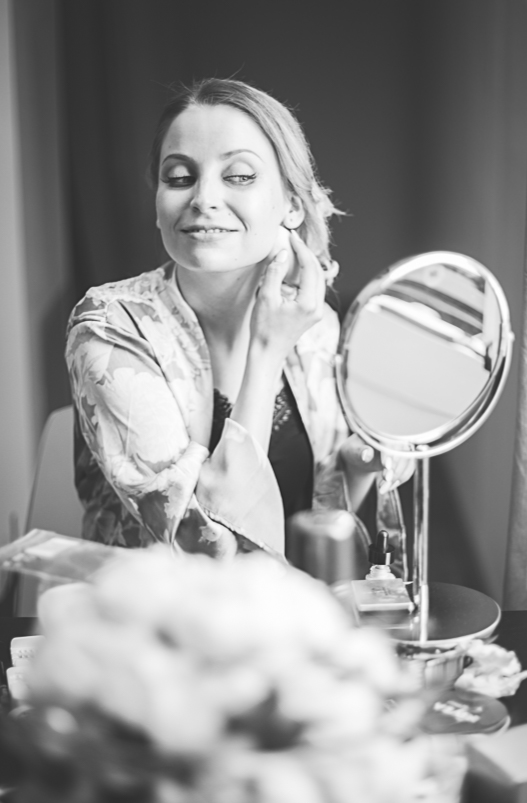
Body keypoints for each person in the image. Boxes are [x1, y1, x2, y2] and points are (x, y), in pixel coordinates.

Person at [66, 78, 408, 558]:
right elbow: (204, 545)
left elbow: (316, 517)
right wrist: (266, 352)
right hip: (159, 603)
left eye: (240, 176)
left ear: (292, 205)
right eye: (179, 177)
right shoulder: (108, 328)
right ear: (158, 206)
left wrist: (356, 467)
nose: (203, 198)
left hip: (292, 597)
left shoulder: (315, 327)